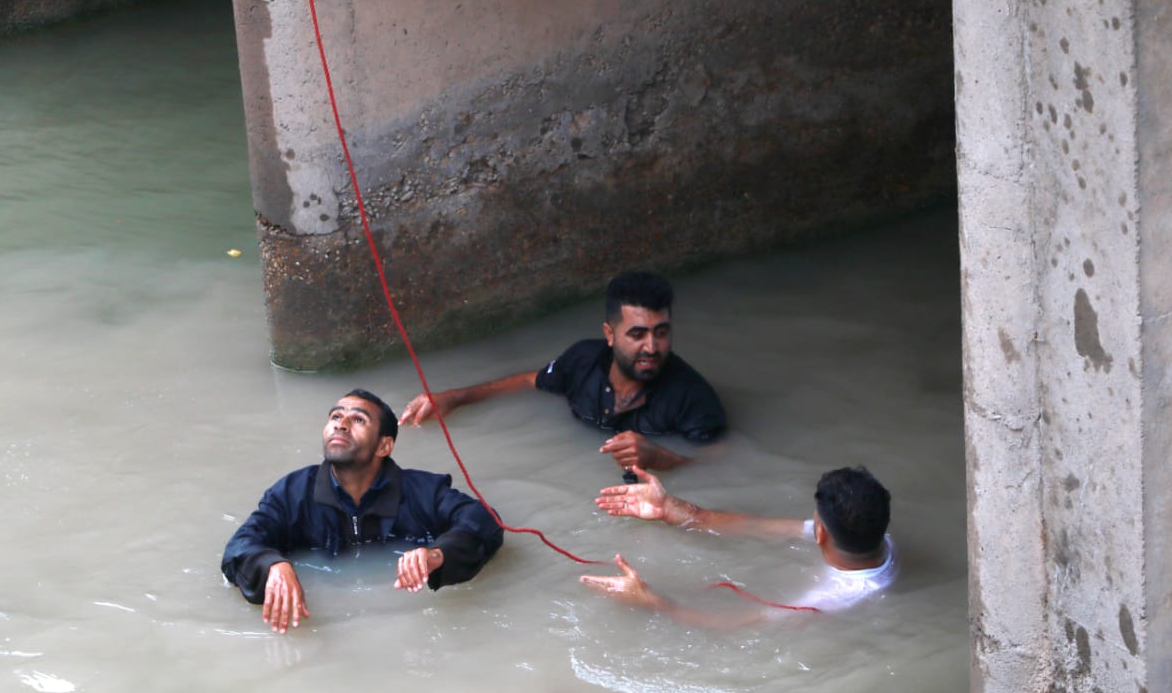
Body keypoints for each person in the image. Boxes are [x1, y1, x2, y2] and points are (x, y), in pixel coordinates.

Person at [222, 389, 504, 633]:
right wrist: (272, 564)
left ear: (384, 445)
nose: (341, 425)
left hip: (404, 628)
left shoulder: (422, 491)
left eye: (358, 419)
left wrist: (437, 554)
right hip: (327, 629)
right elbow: (241, 545)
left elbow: (484, 520)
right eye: (335, 417)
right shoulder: (293, 493)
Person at [398, 270, 726, 472]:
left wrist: (664, 460)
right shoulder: (582, 360)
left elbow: (721, 462)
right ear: (610, 335)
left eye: (662, 332)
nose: (652, 347)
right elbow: (531, 380)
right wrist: (456, 398)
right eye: (637, 334)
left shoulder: (693, 399)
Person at [582, 465, 897, 627]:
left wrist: (653, 601)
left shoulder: (830, 598)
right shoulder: (875, 535)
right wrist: (673, 509)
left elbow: (736, 626)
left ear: (821, 534)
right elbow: (755, 527)